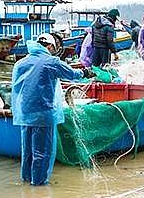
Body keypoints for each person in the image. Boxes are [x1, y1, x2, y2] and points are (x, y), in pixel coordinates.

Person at [12, 34, 95, 186]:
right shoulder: (52, 62)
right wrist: (85, 72)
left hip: (24, 113)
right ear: (49, 47)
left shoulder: (20, 63)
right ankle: (38, 186)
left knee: (27, 151)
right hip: (43, 113)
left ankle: (26, 182)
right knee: (42, 152)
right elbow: (72, 75)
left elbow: (17, 90)